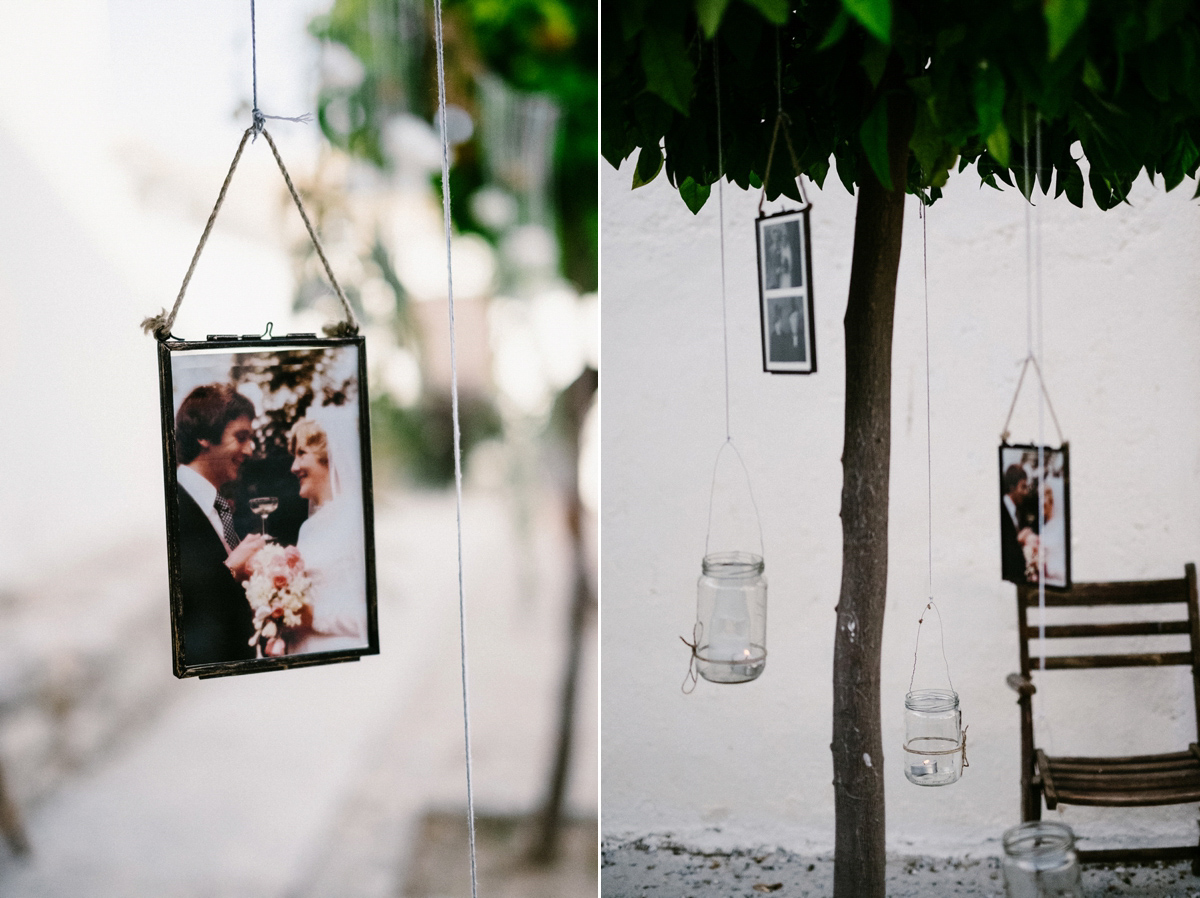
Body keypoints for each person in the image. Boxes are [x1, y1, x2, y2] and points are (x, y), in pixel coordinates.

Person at [174, 384, 266, 665]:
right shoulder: (175, 504)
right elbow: (182, 601)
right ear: (204, 436)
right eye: (241, 437)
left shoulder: (219, 504)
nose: (250, 449)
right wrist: (231, 569)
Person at [284, 407, 369, 654]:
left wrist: (315, 618)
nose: (293, 466)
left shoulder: (355, 516)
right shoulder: (308, 528)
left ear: (328, 454)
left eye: (301, 454)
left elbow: (373, 614)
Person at [1000, 463, 1034, 584]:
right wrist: (1019, 541)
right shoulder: (1000, 510)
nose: (1026, 492)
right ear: (1012, 487)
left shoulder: (1019, 512)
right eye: (1023, 487)